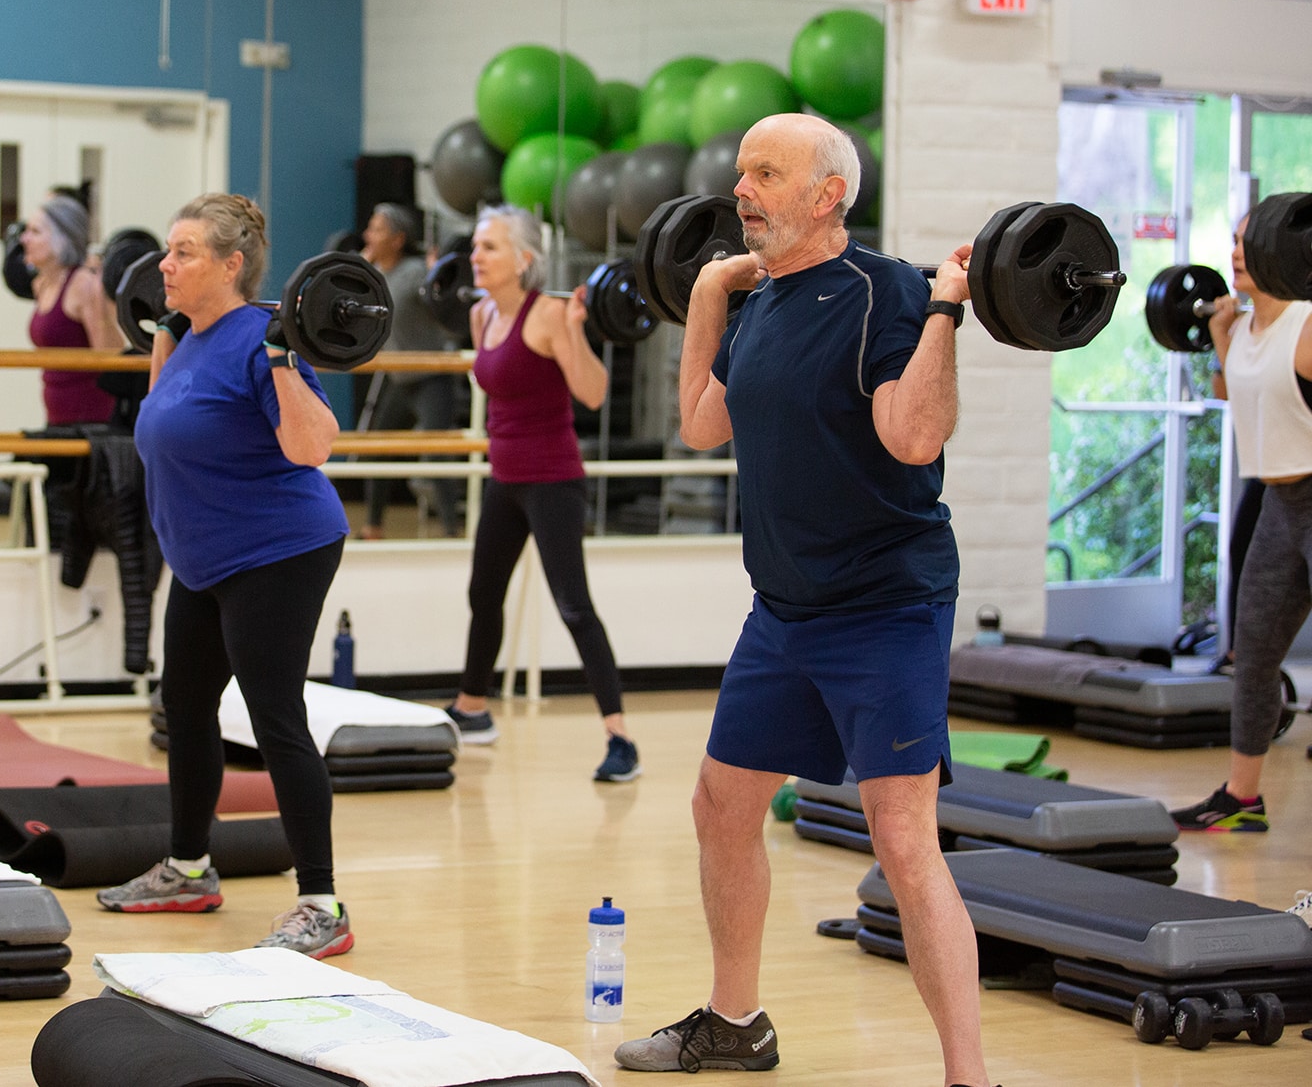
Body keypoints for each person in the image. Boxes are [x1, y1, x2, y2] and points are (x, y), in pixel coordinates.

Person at [620, 113, 989, 1083]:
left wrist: (944, 309)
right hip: (782, 607)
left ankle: (967, 1074)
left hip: (883, 606)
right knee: (719, 805)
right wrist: (705, 290)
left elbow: (912, 437)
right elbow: (702, 423)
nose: (740, 189)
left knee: (903, 842)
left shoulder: (885, 293)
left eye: (765, 173)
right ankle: (734, 1020)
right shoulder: (762, 303)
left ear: (827, 193)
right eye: (741, 172)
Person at [97, 192, 354, 959]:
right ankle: (188, 867)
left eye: (183, 252)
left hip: (278, 550)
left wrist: (281, 356)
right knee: (185, 702)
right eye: (168, 252)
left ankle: (322, 902)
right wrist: (164, 337)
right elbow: (162, 425)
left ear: (232, 265)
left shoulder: (255, 339)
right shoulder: (185, 334)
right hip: (208, 559)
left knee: (274, 715)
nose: (163, 265)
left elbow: (315, 445)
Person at [442, 206, 635, 781]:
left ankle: (620, 738)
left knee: (574, 605)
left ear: (525, 260)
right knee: (483, 593)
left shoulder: (549, 313)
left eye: (490, 248)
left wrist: (575, 330)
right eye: (477, 247)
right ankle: (472, 708)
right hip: (506, 479)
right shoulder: (481, 315)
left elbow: (594, 394)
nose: (476, 257)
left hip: (553, 480)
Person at [1176, 213, 1312, 832]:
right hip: (1280, 507)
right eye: (1230, 240)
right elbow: (1238, 394)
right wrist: (1222, 331)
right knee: (1253, 654)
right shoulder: (1252, 323)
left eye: (1244, 240)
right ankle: (1242, 798)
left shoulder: (1307, 325)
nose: (1234, 252)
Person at [355, 202, 464, 537]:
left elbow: (445, 304)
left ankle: (451, 531)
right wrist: (357, 269)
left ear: (398, 239)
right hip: (398, 378)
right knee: (376, 451)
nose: (368, 235)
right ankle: (374, 525)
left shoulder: (416, 271)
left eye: (377, 229)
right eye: (370, 227)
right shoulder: (371, 276)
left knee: (436, 455)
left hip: (431, 376)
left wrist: (437, 278)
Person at [21, 190, 121, 425]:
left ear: (62, 239)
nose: (24, 239)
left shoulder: (83, 285)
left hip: (90, 417)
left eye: (35, 232)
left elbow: (109, 356)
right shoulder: (41, 284)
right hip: (57, 413)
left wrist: (101, 297)